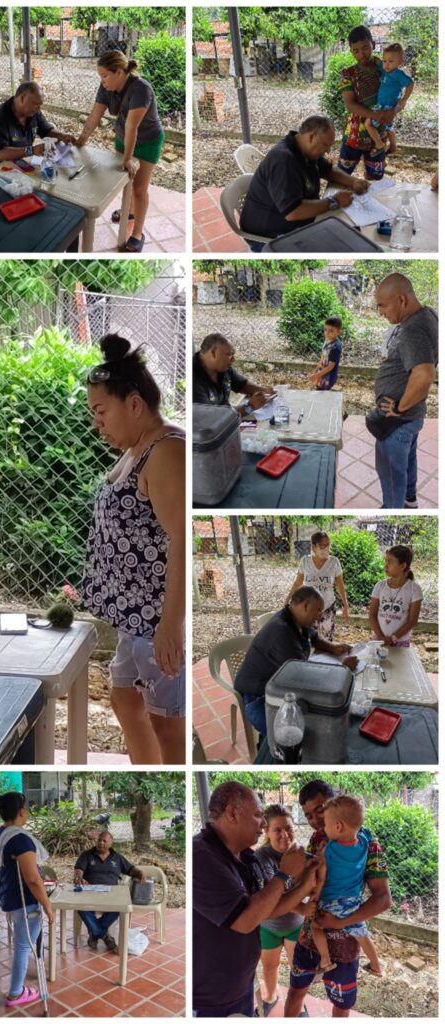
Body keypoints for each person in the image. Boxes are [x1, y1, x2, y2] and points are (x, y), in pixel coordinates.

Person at [82, 335, 185, 764]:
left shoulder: (167, 451)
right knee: (125, 701)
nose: (97, 423)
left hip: (155, 620)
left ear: (135, 404)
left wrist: (170, 626)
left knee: (168, 726)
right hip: (133, 618)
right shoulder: (138, 448)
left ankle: (170, 779)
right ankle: (148, 769)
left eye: (101, 411)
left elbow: (180, 538)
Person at [193, 781, 317, 1018]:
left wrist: (306, 882)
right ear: (232, 813)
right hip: (210, 997)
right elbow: (245, 920)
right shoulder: (202, 857)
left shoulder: (244, 856)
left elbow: (266, 908)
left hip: (239, 985)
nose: (263, 824)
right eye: (258, 815)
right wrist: (284, 874)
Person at [284, 780, 391, 1017]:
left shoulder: (367, 843)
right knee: (296, 992)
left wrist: (340, 922)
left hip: (344, 941)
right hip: (310, 936)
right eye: (308, 816)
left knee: (341, 1005)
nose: (315, 821)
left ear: (334, 805)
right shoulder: (317, 840)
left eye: (320, 810)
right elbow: (308, 883)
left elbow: (383, 898)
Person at [234, 587, 358, 744]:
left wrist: (333, 648)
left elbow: (314, 637)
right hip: (258, 698)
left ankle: (267, 742)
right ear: (305, 606)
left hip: (280, 687)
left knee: (313, 718)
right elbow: (306, 676)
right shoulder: (282, 632)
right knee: (290, 737)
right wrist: (343, 669)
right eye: (318, 610)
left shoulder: (296, 619)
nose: (321, 616)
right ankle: (267, 749)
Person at [76, 51, 165, 253]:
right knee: (126, 181)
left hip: (148, 141)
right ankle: (129, 212)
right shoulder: (106, 87)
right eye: (100, 76)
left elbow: (133, 127)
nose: (102, 81)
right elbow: (94, 116)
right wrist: (80, 141)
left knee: (139, 188)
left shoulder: (141, 89)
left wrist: (127, 159)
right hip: (123, 136)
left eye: (104, 76)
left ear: (119, 72)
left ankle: (137, 234)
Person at [239, 115, 369, 248]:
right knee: (342, 241)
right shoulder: (283, 160)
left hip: (296, 220)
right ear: (311, 137)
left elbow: (329, 171)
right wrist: (334, 202)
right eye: (326, 145)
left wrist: (354, 182)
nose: (328, 151)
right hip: (268, 234)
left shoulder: (305, 150)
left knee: (351, 230)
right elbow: (293, 212)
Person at [369, 273, 438, 509]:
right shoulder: (428, 314)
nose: (381, 312)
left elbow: (425, 374)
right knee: (407, 459)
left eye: (383, 306)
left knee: (390, 472)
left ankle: (392, 508)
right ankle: (409, 499)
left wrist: (400, 407)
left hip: (398, 421)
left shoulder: (413, 329)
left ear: (402, 299)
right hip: (412, 417)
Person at [0, 792, 55, 1009]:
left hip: (10, 896)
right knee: (24, 946)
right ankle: (16, 992)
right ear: (21, 811)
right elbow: (32, 879)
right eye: (26, 808)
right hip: (25, 901)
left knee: (22, 944)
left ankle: (17, 989)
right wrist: (47, 906)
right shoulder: (20, 840)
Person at [305, 796, 382, 977]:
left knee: (316, 926)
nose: (324, 828)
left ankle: (325, 960)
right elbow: (364, 832)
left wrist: (315, 897)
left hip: (332, 901)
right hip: (354, 902)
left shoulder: (329, 850)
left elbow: (321, 878)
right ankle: (376, 966)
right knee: (361, 933)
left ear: (338, 826)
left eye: (326, 824)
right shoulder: (364, 842)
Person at [255, 805, 306, 1016]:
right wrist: (304, 907)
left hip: (296, 924)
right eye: (277, 830)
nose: (285, 835)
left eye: (289, 828)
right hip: (269, 926)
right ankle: (271, 996)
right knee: (269, 967)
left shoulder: (301, 853)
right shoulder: (261, 857)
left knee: (298, 968)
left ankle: (299, 1004)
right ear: (266, 831)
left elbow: (310, 885)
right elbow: (274, 898)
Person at [336, 26, 398, 182]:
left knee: (375, 178)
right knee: (341, 174)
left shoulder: (386, 70)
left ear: (373, 44)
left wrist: (393, 110)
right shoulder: (348, 74)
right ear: (351, 52)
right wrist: (377, 115)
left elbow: (397, 94)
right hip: (354, 135)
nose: (361, 54)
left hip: (378, 137)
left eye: (365, 48)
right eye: (356, 51)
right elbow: (350, 105)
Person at [0, 81, 76, 169]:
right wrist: (32, 150)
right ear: (22, 98)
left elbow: (47, 131)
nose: (38, 109)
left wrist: (62, 136)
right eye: (36, 105)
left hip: (17, 163)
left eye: (40, 105)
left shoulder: (33, 113)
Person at [73, 831, 145, 951]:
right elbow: (78, 870)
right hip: (89, 892)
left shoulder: (117, 858)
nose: (101, 843)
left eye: (104, 841)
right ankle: (104, 935)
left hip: (111, 894)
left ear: (111, 843)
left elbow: (130, 869)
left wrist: (139, 873)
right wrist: (79, 878)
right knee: (80, 907)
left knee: (119, 907)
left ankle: (95, 933)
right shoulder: (86, 855)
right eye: (99, 840)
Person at [285, 531, 350, 643]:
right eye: (322, 546)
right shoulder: (305, 561)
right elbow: (298, 583)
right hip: (308, 609)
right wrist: (287, 600)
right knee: (307, 640)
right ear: (314, 546)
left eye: (328, 545)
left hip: (328, 607)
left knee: (326, 641)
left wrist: (345, 605)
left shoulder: (334, 562)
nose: (326, 548)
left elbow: (340, 584)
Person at [193, 334, 275, 416]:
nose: (233, 359)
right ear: (213, 352)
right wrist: (250, 407)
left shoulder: (222, 367)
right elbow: (210, 417)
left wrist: (263, 391)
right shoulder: (194, 380)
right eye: (229, 354)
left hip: (229, 416)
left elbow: (242, 385)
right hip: (216, 422)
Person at [362, 43, 414, 155]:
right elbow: (377, 61)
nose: (386, 64)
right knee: (388, 127)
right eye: (385, 61)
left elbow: (410, 84)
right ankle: (394, 147)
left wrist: (404, 99)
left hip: (387, 105)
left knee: (368, 123)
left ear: (400, 62)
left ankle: (379, 144)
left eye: (391, 61)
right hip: (384, 104)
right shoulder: (385, 69)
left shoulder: (398, 74)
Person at [369, 544, 422, 647]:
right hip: (378, 640)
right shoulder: (379, 586)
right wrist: (381, 637)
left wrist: (393, 638)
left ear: (403, 566)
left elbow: (412, 621)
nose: (386, 565)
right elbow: (372, 615)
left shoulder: (414, 589)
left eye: (390, 561)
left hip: (400, 642)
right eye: (386, 561)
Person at [308, 317, 344, 391]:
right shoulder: (327, 340)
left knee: (323, 389)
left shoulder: (335, 348)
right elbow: (323, 355)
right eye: (325, 329)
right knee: (319, 387)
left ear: (339, 332)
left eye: (331, 331)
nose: (327, 333)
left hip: (329, 374)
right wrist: (317, 368)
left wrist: (317, 375)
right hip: (322, 370)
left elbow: (330, 367)